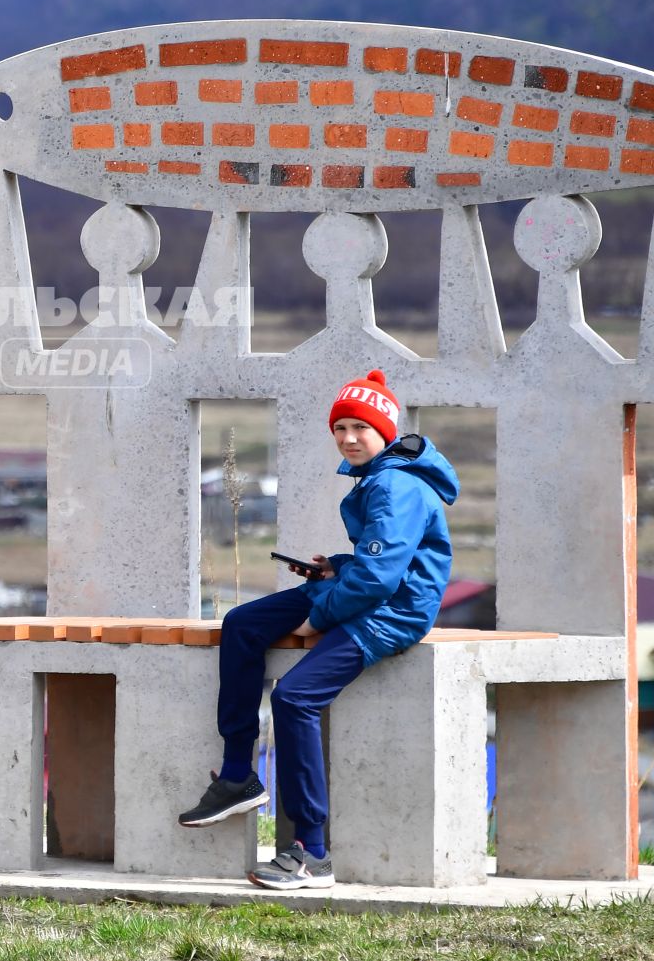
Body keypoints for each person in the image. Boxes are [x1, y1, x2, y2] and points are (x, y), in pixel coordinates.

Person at [175, 369, 459, 890]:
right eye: (341, 428)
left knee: (294, 698)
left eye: (361, 428)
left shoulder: (396, 486)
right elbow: (374, 563)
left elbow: (382, 580)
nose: (349, 438)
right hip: (362, 589)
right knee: (241, 624)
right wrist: (336, 567)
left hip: (391, 614)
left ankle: (313, 854)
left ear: (386, 432)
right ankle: (238, 775)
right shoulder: (379, 476)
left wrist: (318, 618)